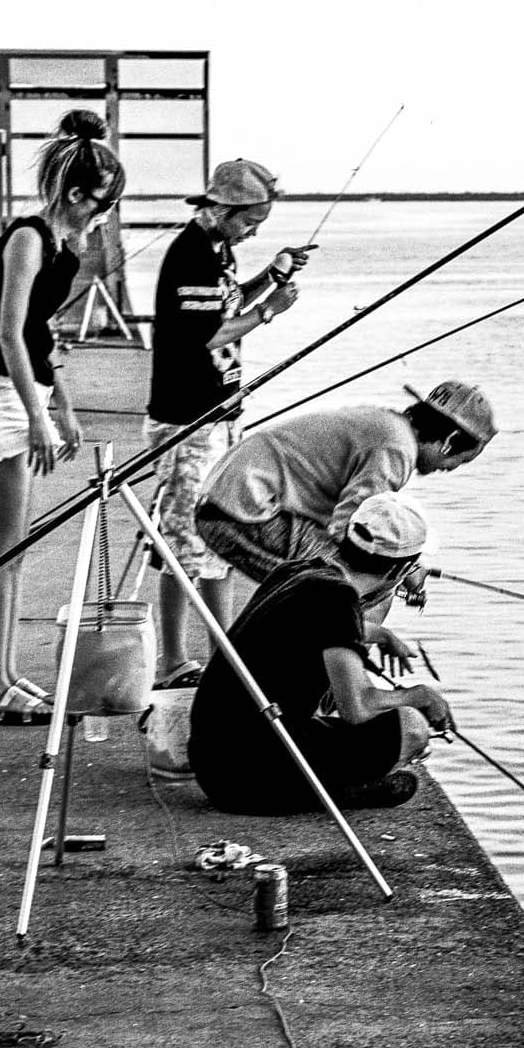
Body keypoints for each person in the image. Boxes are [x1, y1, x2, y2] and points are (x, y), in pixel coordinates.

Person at [0, 109, 125, 725]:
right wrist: (38, 419)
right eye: (101, 203)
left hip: (22, 399)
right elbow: (7, 334)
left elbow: (43, 337)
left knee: (14, 552)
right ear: (74, 193)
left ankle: (7, 674)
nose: (102, 215)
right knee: (0, 552)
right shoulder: (26, 237)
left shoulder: (61, 248)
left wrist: (63, 409)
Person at [142, 158, 312, 687]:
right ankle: (173, 661)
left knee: (219, 539)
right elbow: (207, 335)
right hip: (186, 421)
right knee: (182, 544)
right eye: (248, 222)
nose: (253, 231)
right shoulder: (191, 255)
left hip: (217, 416)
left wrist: (273, 275)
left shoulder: (217, 251)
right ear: (220, 208)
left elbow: (228, 302)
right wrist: (271, 312)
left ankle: (224, 656)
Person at [187, 495, 453, 814]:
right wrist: (419, 696)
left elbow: (312, 625)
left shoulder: (300, 571)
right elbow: (356, 707)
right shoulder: (337, 598)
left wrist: (379, 634)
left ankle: (330, 787)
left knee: (330, 715)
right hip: (248, 778)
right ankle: (330, 793)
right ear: (401, 571)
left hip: (213, 761)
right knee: (410, 726)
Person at [194, 380, 496, 590]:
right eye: (461, 461)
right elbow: (354, 531)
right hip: (243, 510)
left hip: (230, 502)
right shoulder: (396, 449)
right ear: (450, 442)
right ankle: (340, 673)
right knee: (353, 585)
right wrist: (404, 571)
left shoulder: (390, 426)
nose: (451, 469)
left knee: (352, 583)